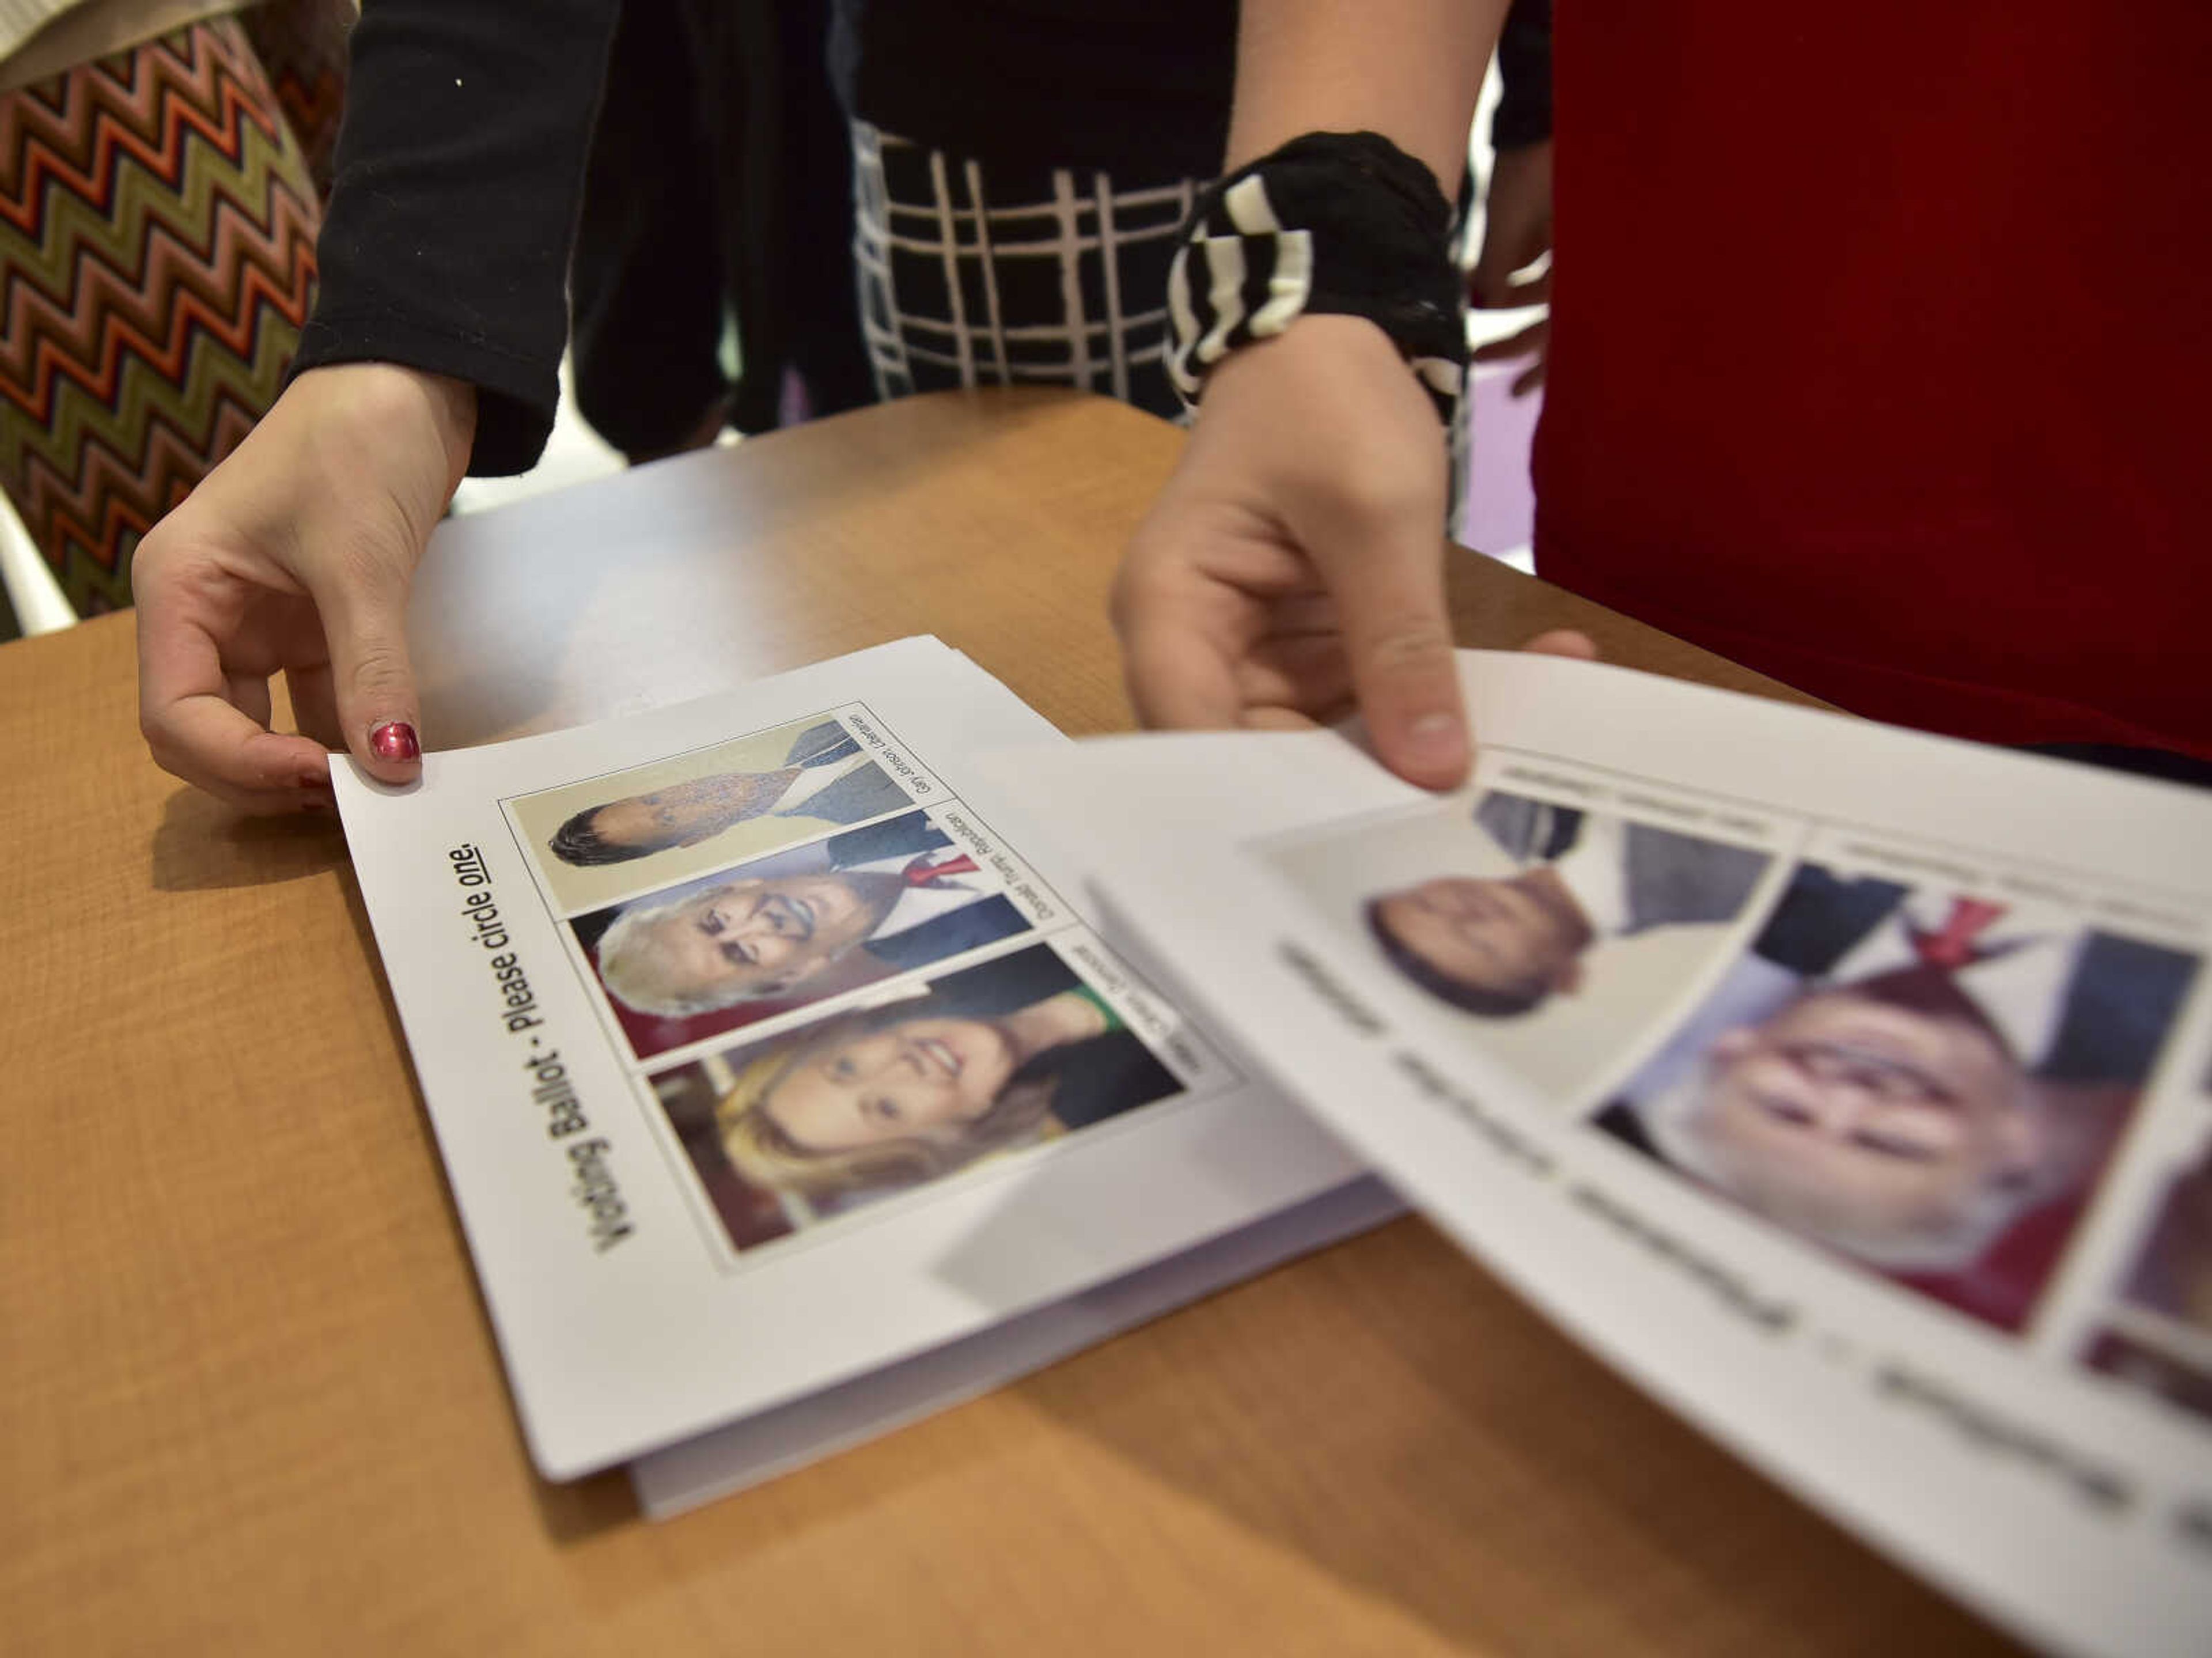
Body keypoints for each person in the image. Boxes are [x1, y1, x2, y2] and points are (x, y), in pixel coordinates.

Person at [704, 945, 1180, 1201]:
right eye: (888, 1108)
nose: (900, 1068)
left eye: (847, 1066)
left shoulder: (981, 940)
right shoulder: (1134, 1108)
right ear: (946, 1135)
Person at [1366, 792, 1768, 1016]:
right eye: (1479, 943)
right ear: (1565, 977)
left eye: (1429, 905)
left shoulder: (1497, 811)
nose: (1464, 910)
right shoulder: (1733, 888)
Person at [590, 811, 1026, 1016]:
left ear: (733, 887)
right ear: (788, 978)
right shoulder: (983, 979)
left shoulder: (862, 808)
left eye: (717, 920)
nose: (760, 922)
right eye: (742, 953)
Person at [547, 720, 906, 866]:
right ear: (702, 835)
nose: (682, 797)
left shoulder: (811, 739)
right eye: (668, 818)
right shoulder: (872, 829)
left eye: (656, 799)